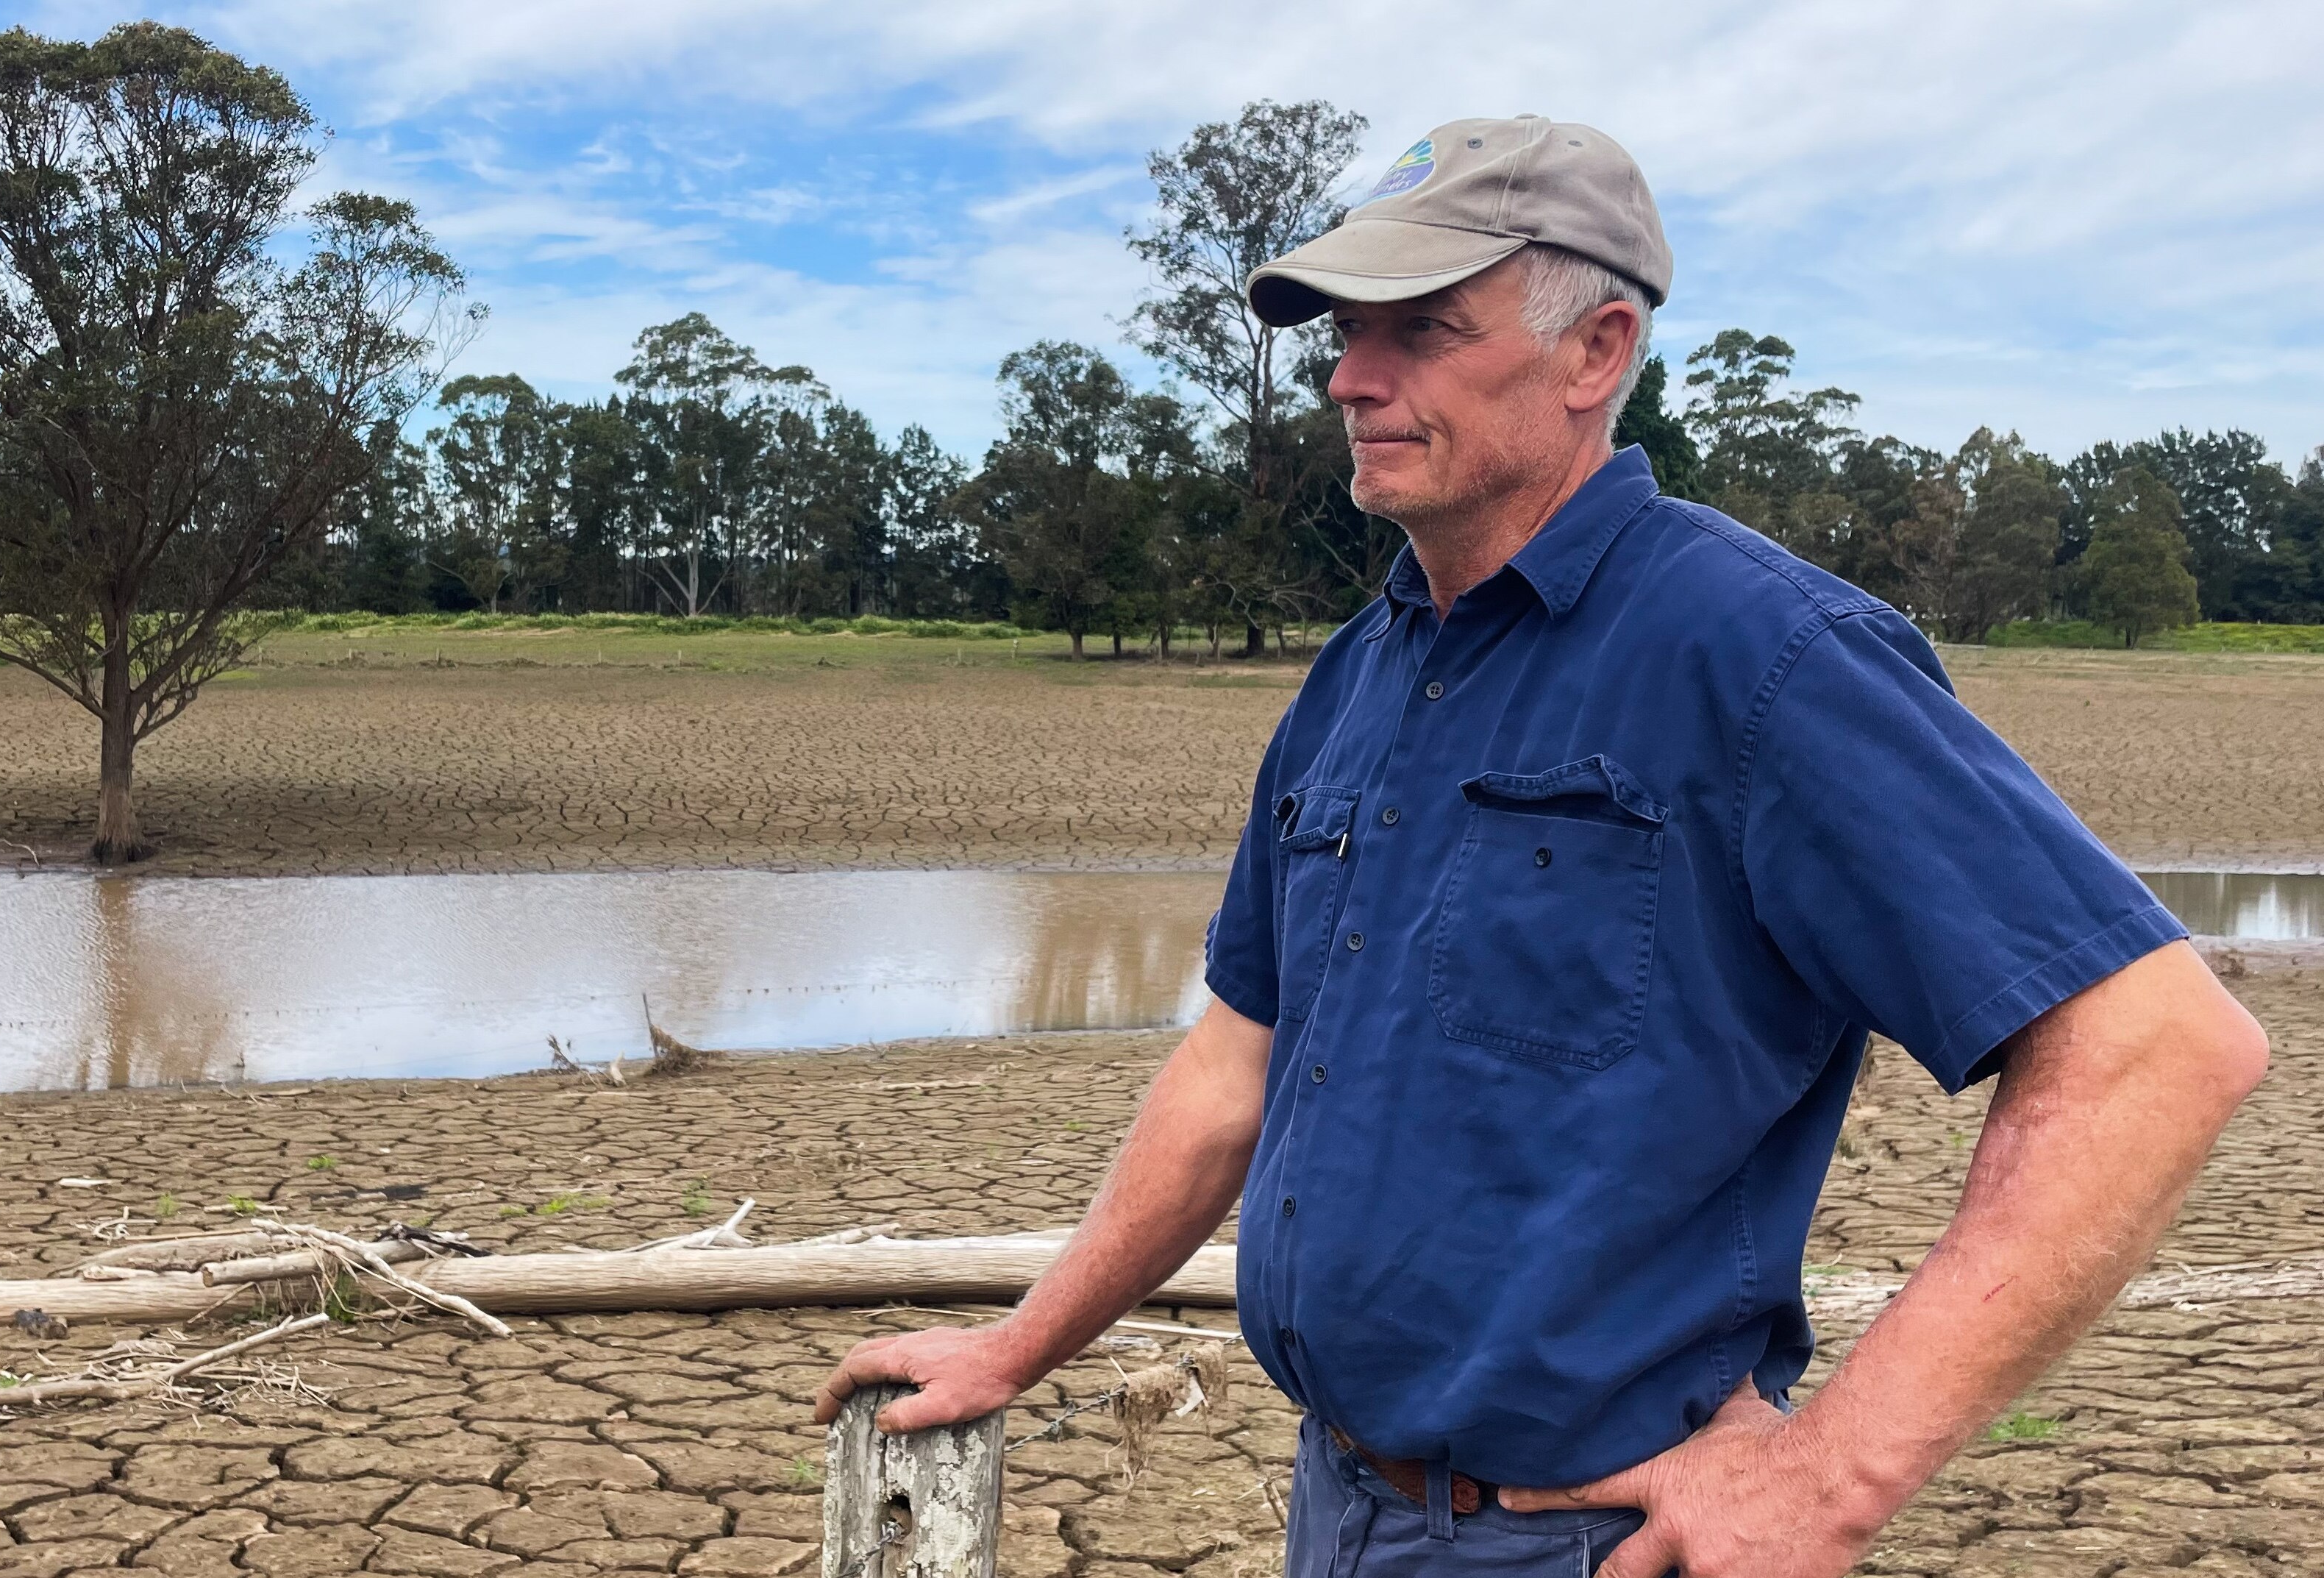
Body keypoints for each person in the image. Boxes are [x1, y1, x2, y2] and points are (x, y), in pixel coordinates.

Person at [813, 115, 2269, 1578]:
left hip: (1576, 1540)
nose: (1347, 373)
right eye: (1343, 330)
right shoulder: (1356, 672)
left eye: (1420, 329)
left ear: (1595, 353)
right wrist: (1018, 1341)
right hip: (1337, 1505)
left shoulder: (1759, 656)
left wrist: (1824, 1478)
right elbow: (1232, 1063)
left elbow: (2154, 1047)